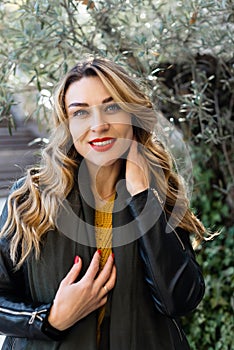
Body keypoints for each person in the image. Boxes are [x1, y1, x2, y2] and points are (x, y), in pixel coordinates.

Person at [0, 57, 207, 350]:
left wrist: (142, 197)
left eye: (111, 107)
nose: (99, 125)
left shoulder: (160, 194)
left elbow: (180, 300)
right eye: (81, 112)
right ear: (68, 124)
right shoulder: (31, 198)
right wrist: (49, 319)